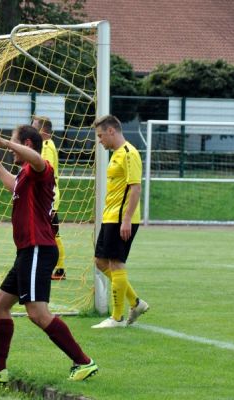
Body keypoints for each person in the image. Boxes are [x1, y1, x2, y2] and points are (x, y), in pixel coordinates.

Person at [0, 125, 98, 386]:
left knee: (38, 313)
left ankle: (84, 362)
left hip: (38, 249)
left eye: (16, 144)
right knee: (0, 305)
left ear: (27, 144)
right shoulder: (25, 175)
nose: (11, 151)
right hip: (27, 251)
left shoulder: (42, 168)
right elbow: (14, 186)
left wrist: (4, 142)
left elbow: (37, 159)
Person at [92, 115, 149, 329]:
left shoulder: (129, 154)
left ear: (111, 131)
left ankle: (116, 318)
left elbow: (135, 188)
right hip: (111, 217)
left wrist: (126, 219)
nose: (100, 141)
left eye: (100, 136)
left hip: (121, 219)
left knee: (116, 264)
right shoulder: (116, 154)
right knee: (100, 262)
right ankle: (136, 302)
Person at [32, 116, 66, 280]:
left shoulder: (47, 146)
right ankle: (58, 268)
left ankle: (59, 269)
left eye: (34, 126)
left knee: (53, 233)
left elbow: (46, 171)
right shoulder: (47, 145)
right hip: (49, 196)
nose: (32, 129)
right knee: (52, 232)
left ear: (42, 130)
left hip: (50, 196)